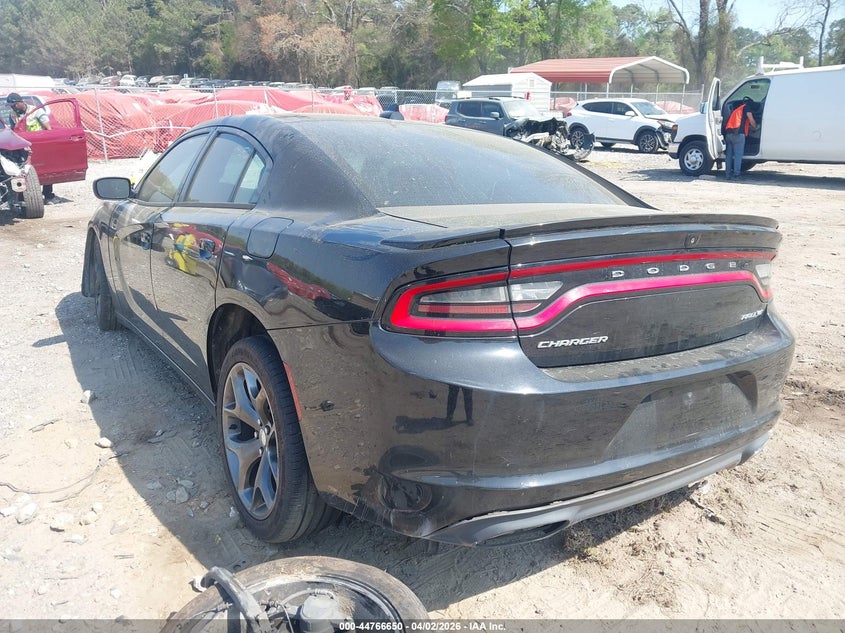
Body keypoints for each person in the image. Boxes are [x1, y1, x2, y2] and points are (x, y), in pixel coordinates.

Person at [5, 93, 56, 202]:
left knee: (44, 168)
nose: (13, 107)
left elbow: (48, 128)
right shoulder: (12, 115)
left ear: (20, 102)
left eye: (14, 105)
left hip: (39, 144)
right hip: (23, 147)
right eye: (11, 106)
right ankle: (26, 197)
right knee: (24, 170)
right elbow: (14, 131)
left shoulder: (36, 111)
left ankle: (47, 195)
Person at [722, 96, 758, 180]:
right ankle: (736, 175)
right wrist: (756, 127)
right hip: (738, 135)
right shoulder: (747, 108)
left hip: (729, 134)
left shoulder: (737, 110)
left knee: (729, 156)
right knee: (738, 155)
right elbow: (751, 120)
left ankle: (727, 174)